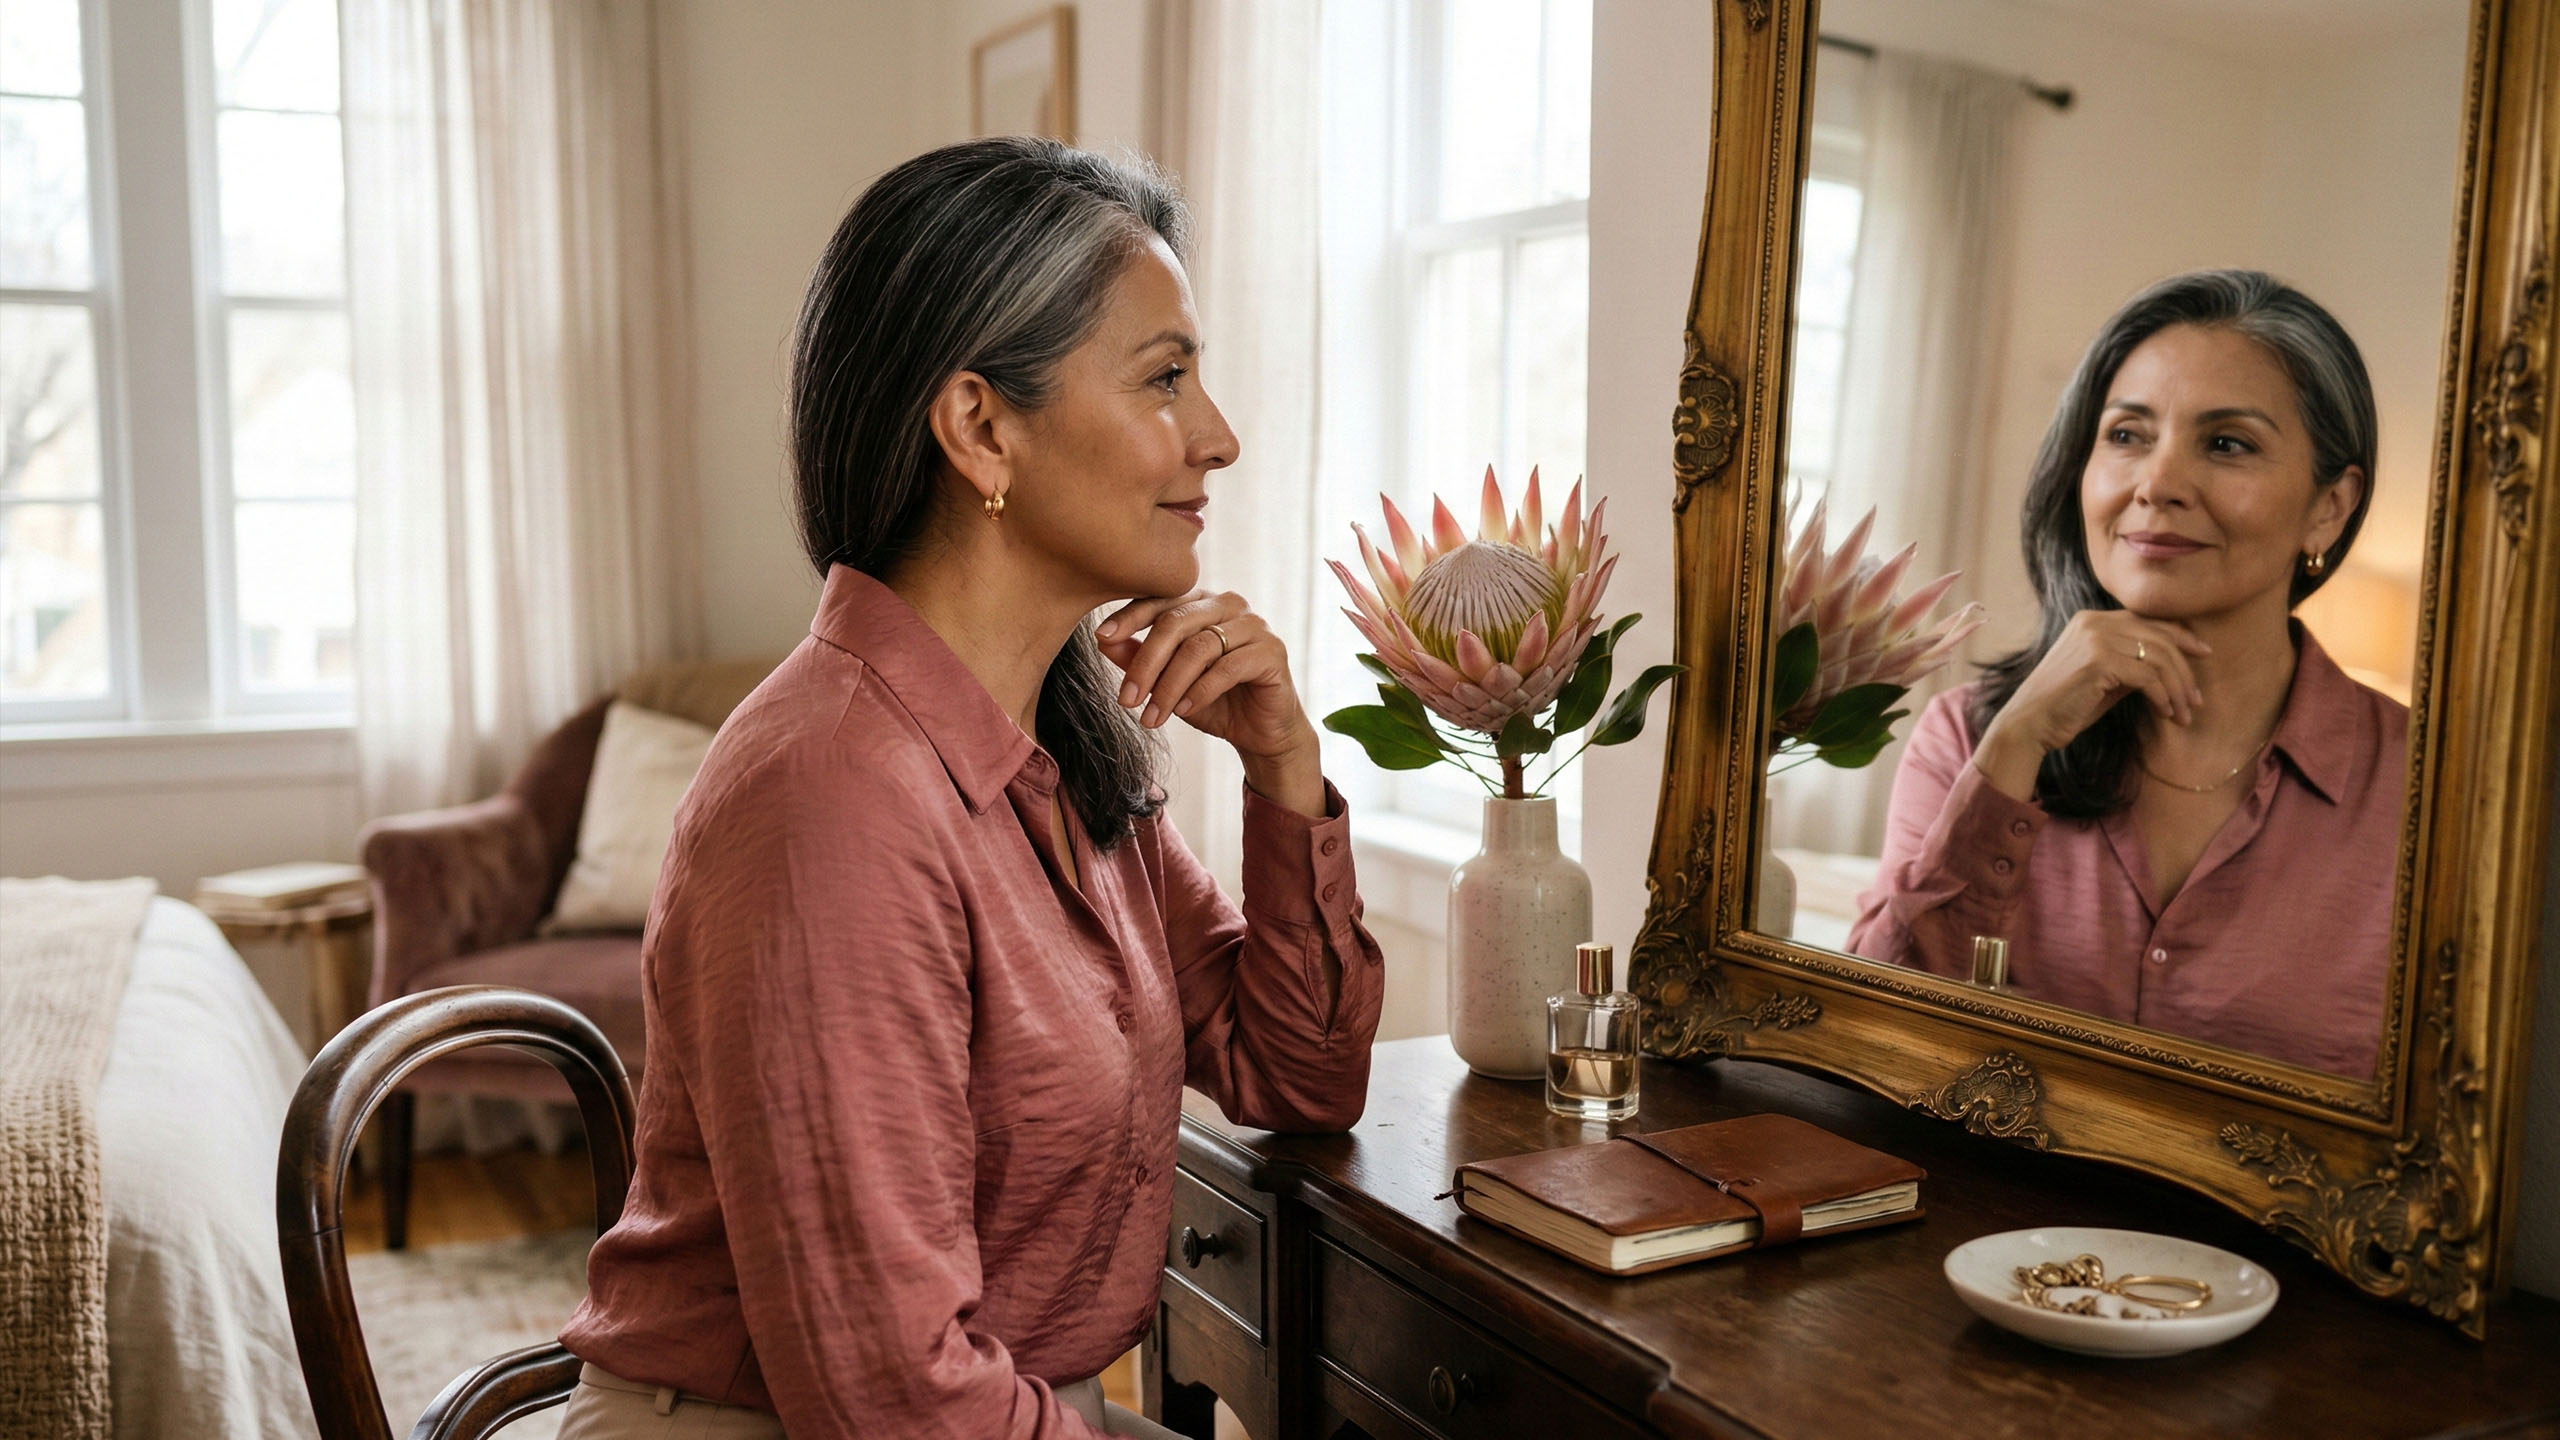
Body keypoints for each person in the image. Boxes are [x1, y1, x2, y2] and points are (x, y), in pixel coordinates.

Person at [553, 138, 1386, 1437]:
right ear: (981, 427)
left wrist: (1287, 771)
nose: (1217, 438)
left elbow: (1297, 1077)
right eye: (1165, 378)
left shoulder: (1053, 753)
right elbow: (890, 1395)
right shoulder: (831, 803)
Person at [1847, 270, 2405, 1079]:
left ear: (2330, 505)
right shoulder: (1968, 738)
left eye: (2227, 444)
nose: (2157, 484)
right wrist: (2016, 746)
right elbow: (1863, 1043)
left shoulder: (2427, 796)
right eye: (2126, 435)